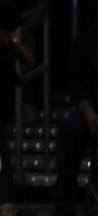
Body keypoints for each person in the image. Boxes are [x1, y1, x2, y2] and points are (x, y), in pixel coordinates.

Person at [53, 25, 98, 216]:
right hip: (93, 111)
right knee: (69, 128)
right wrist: (89, 112)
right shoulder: (88, 38)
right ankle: (64, 209)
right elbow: (77, 81)